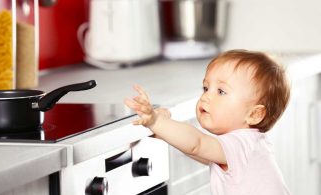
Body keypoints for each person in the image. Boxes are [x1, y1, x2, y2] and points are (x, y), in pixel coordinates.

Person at [124, 49, 291, 195]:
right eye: (205, 88)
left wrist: (156, 121)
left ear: (254, 114)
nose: (206, 97)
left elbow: (196, 144)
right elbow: (200, 152)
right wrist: (164, 131)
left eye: (221, 91)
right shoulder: (249, 144)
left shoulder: (241, 144)